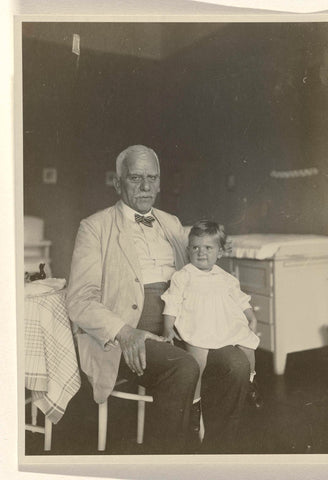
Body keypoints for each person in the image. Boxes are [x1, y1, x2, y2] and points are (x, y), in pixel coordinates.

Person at [67, 145, 250, 454]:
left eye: (152, 177)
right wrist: (126, 332)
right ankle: (166, 464)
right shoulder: (94, 227)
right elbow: (79, 300)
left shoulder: (172, 223)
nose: (145, 186)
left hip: (187, 328)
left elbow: (200, 270)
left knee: (235, 363)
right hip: (129, 337)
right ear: (118, 182)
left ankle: (219, 458)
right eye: (136, 177)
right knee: (183, 366)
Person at [161, 220, 262, 416]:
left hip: (225, 323)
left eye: (208, 248)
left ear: (220, 252)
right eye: (196, 247)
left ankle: (250, 382)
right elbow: (172, 302)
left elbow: (241, 299)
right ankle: (195, 404)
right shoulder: (183, 276)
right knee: (197, 363)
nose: (201, 252)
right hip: (197, 324)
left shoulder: (226, 277)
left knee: (249, 347)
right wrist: (168, 328)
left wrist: (252, 317)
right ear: (188, 250)